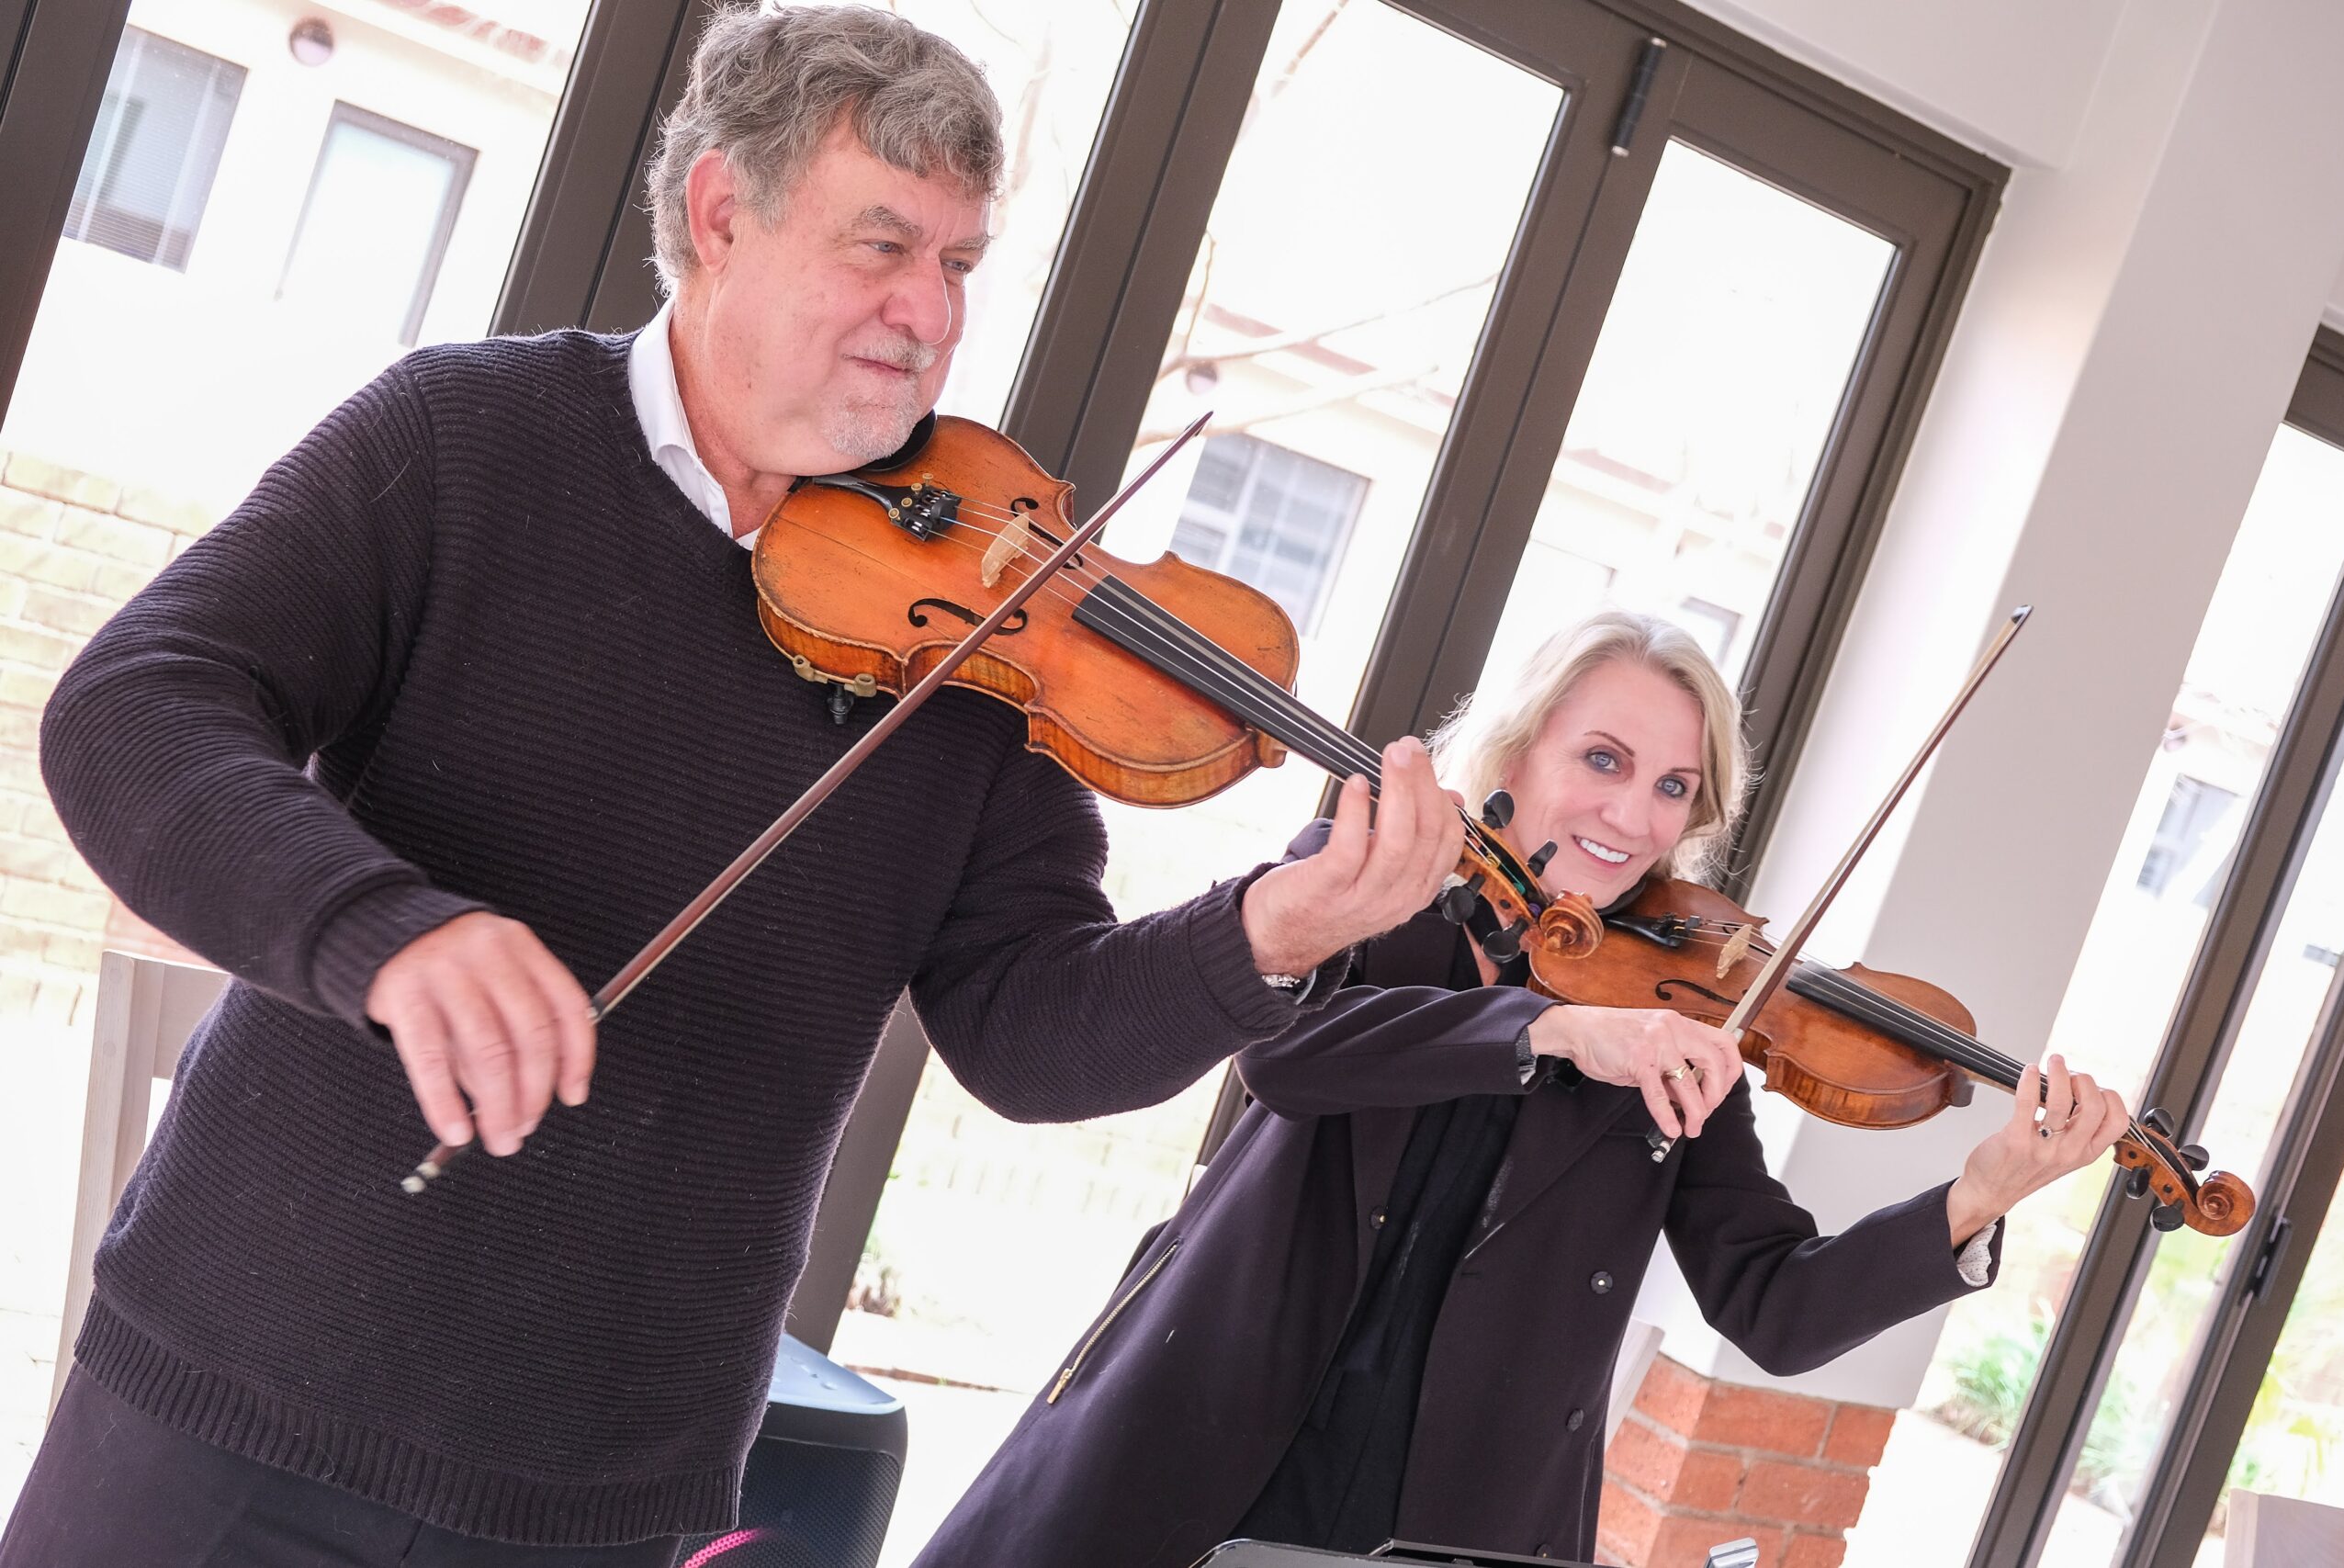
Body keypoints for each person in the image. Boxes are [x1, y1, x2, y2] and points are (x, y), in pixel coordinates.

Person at [0, 8, 1471, 1566]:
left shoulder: (973, 627)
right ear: (719, 215)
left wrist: (1277, 930)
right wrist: (385, 927)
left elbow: (1030, 1031)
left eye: (959, 263)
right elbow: (139, 706)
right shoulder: (463, 437)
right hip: (238, 1399)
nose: (929, 313)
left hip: (607, 1489)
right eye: (883, 245)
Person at [913, 610, 2133, 1568]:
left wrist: (1978, 1195)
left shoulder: (1681, 1009)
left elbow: (1775, 1305)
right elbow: (1288, 1057)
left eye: (1673, 788)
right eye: (1603, 758)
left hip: (1450, 1515)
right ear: (1516, 746)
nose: (1633, 814)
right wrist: (1549, 1027)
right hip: (1204, 1434)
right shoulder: (1376, 875)